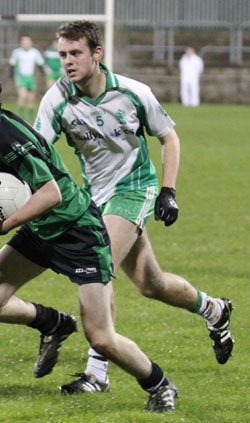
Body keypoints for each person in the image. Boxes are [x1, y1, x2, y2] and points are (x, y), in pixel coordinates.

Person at [0, 55, 179, 412]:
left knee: (101, 338)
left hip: (77, 231)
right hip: (39, 229)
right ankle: (54, 323)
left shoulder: (9, 134)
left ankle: (160, 385)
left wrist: (5, 224)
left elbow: (51, 193)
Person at [34, 21, 234, 394]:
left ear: (97, 54)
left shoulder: (132, 92)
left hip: (134, 189)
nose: (67, 62)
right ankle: (214, 310)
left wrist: (168, 191)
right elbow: (37, 150)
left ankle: (97, 373)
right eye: (62, 54)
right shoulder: (56, 98)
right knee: (149, 283)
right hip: (93, 198)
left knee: (98, 264)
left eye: (75, 53)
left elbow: (169, 138)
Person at [9, 35, 45, 122]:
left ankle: (31, 117)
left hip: (31, 78)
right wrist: (10, 76)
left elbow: (40, 64)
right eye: (24, 41)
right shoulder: (17, 52)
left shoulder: (34, 52)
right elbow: (12, 64)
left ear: (31, 42)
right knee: (22, 96)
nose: (26, 43)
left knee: (31, 98)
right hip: (21, 77)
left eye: (28, 41)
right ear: (21, 43)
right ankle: (20, 116)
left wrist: (43, 74)